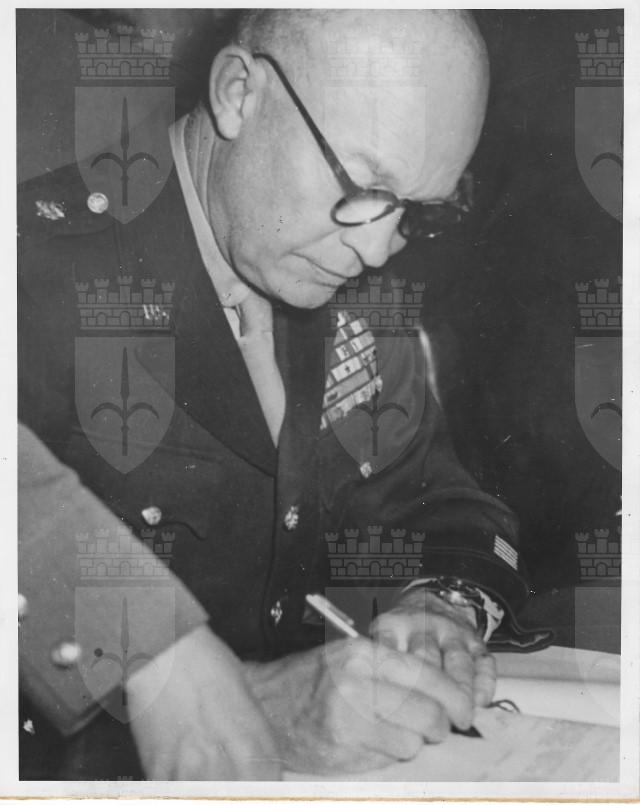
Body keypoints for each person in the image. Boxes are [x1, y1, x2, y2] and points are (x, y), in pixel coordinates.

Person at [18, 9, 550, 779]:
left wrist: (440, 604)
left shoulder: (344, 285)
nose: (377, 248)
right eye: (363, 186)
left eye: (415, 210)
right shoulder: (28, 274)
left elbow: (432, 497)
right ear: (238, 93)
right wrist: (249, 704)